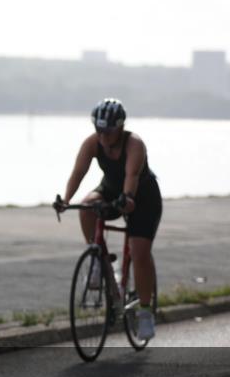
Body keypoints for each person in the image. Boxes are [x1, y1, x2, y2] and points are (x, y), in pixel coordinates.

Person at [55, 98, 162, 340]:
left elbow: (132, 174)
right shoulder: (92, 143)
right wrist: (66, 199)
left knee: (139, 252)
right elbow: (78, 172)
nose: (102, 137)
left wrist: (127, 198)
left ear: (120, 128)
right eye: (98, 130)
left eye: (108, 132)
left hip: (142, 198)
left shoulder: (134, 144)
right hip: (111, 189)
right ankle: (97, 258)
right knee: (87, 206)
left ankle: (145, 312)